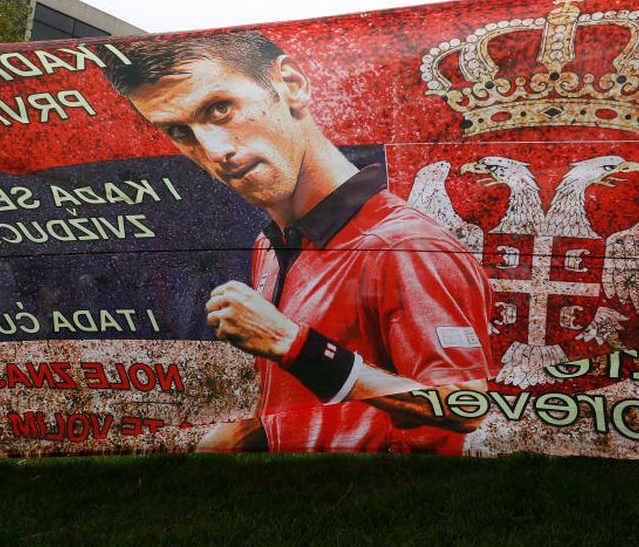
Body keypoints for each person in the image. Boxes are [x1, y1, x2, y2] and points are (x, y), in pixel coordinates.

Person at [104, 32, 493, 453]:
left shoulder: (406, 245)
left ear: (291, 84)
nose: (214, 151)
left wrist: (297, 345)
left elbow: (464, 406)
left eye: (220, 109)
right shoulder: (270, 245)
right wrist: (259, 432)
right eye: (180, 131)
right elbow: (317, 401)